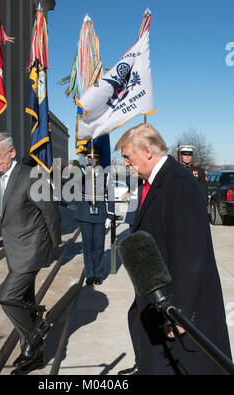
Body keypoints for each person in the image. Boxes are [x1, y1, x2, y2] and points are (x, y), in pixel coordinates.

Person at [115, 123, 232, 375]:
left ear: (147, 151)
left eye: (127, 156)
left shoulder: (179, 184)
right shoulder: (156, 181)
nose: (125, 163)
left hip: (177, 304)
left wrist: (180, 312)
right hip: (159, 298)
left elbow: (191, 255)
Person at [0, 132, 61, 374]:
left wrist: (55, 241)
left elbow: (49, 211)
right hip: (13, 250)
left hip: (32, 248)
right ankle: (35, 358)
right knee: (26, 302)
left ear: (11, 152)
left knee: (8, 297)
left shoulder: (32, 175)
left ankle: (33, 340)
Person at [75, 149, 114, 286]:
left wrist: (110, 215)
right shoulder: (82, 173)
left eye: (94, 158)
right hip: (85, 213)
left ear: (98, 159)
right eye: (89, 158)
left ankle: (98, 273)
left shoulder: (106, 175)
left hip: (100, 214)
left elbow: (110, 195)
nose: (91, 160)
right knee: (87, 246)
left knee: (98, 246)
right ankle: (89, 274)